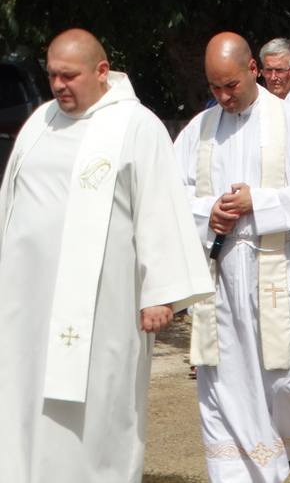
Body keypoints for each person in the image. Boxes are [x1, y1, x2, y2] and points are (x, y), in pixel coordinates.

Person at [0, 29, 212, 483]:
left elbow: (159, 207)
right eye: (52, 74)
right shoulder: (40, 120)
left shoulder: (136, 126)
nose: (58, 85)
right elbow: (12, 200)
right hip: (27, 299)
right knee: (22, 393)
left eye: (69, 76)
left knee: (96, 404)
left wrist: (162, 293)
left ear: (101, 72)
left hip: (101, 305)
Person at [175, 33, 290, 483]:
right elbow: (170, 191)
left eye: (231, 85)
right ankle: (240, 474)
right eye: (214, 88)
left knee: (284, 377)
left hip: (275, 267)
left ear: (253, 70)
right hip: (222, 274)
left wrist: (256, 203)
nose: (224, 97)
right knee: (222, 378)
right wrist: (209, 210)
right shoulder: (201, 129)